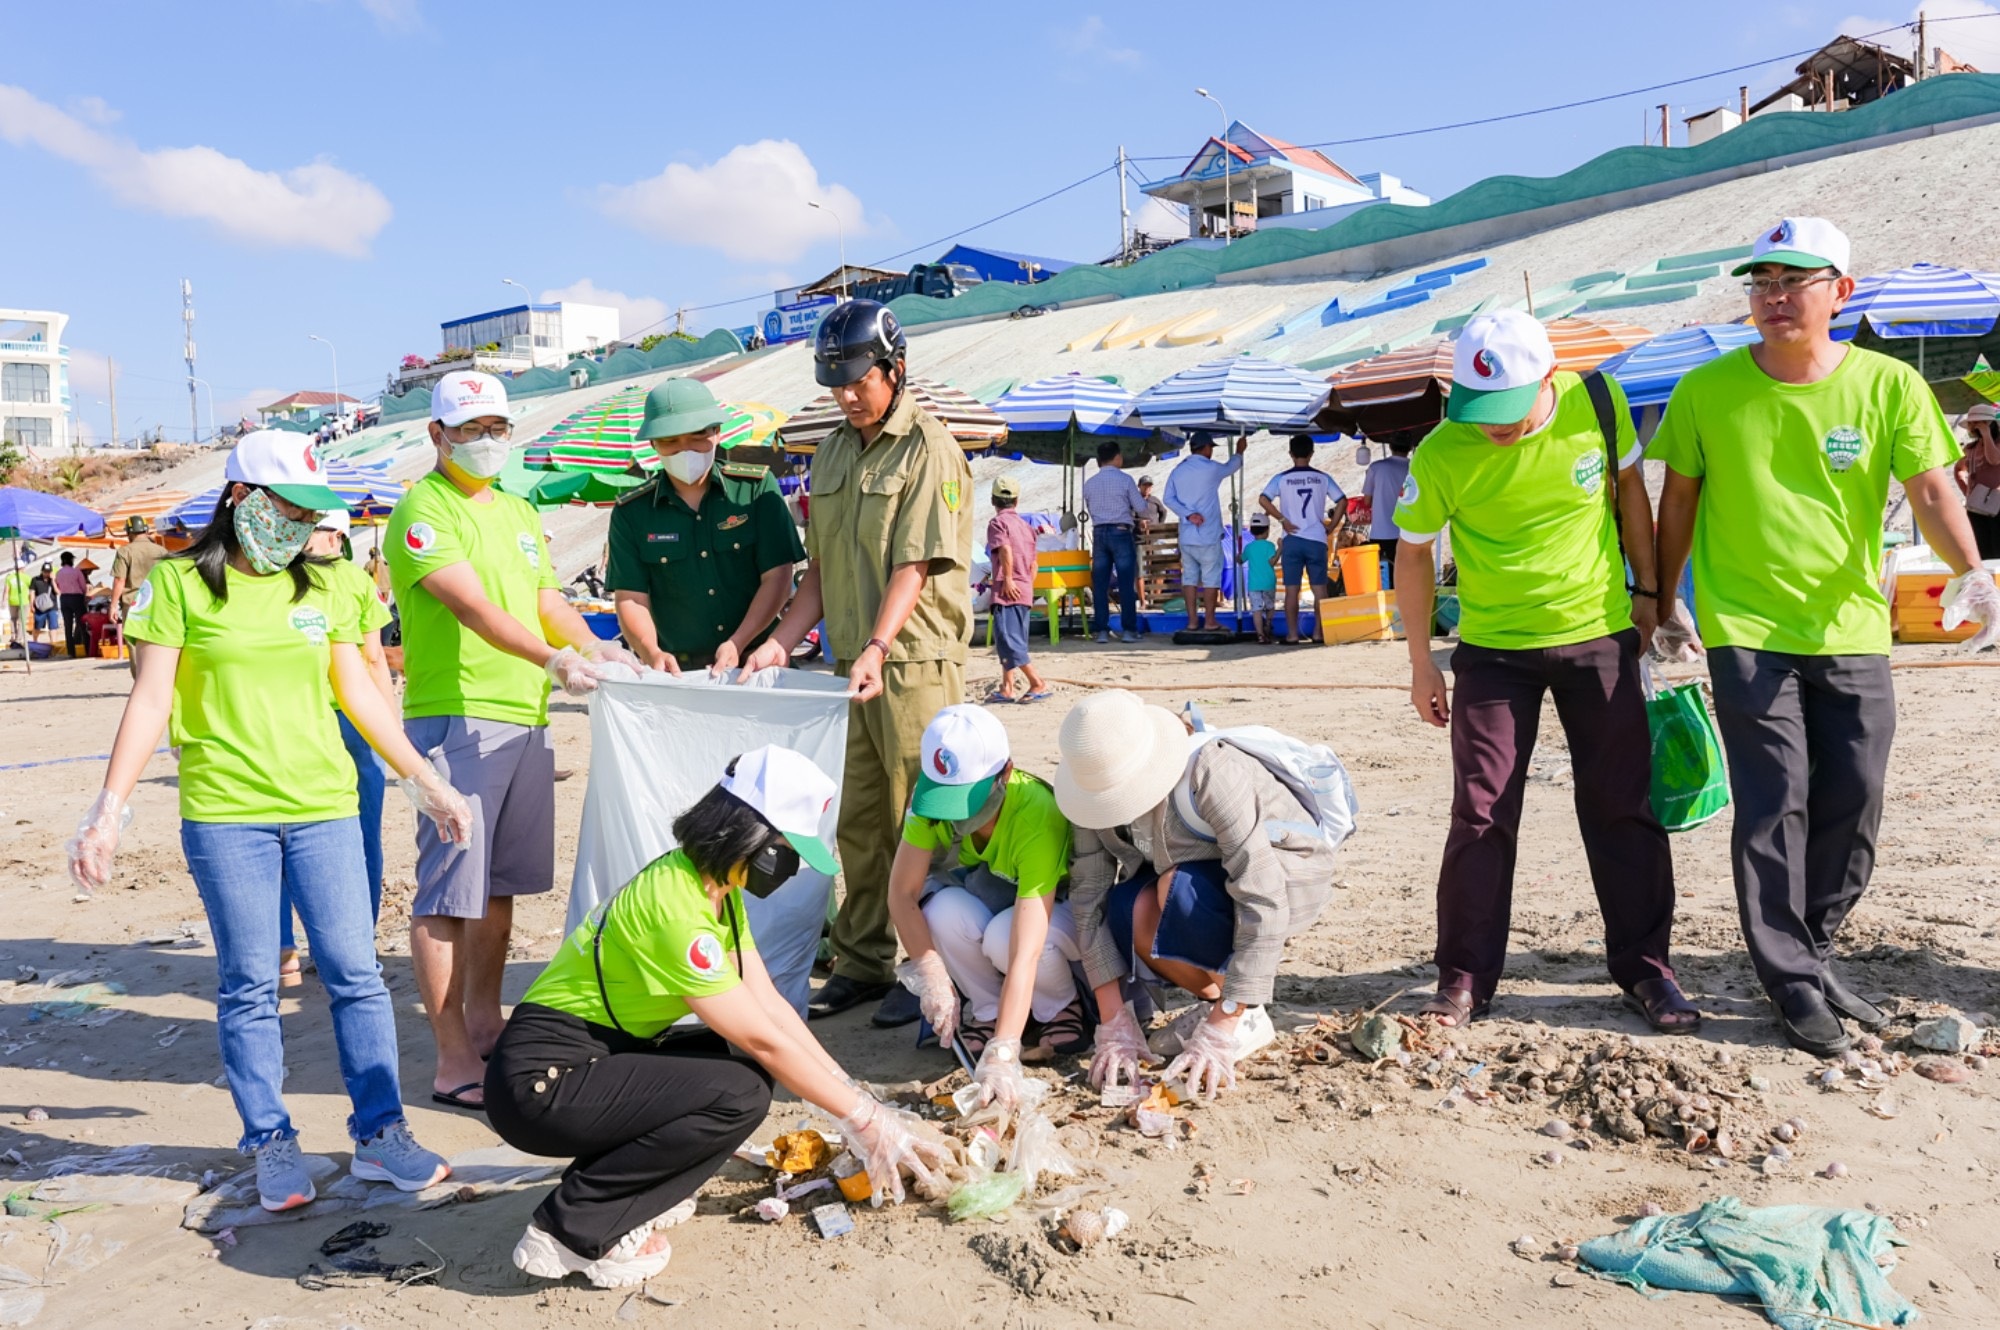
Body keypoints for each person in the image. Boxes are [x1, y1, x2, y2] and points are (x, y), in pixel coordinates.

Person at [65, 430, 473, 1212]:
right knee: (250, 984)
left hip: (324, 806)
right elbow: (150, 700)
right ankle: (270, 1141)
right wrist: (107, 811)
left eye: (312, 513)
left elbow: (360, 692)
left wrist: (425, 780)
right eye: (289, 508)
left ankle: (382, 1136)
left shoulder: (332, 585)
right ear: (242, 500)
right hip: (226, 815)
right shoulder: (181, 585)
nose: (299, 526)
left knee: (356, 976)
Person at [1653, 217, 1999, 1056]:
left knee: (1855, 790)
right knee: (1775, 800)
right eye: (1762, 282)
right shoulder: (1708, 390)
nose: (1773, 297)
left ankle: (1815, 943)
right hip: (1746, 627)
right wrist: (1661, 601)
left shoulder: (1888, 387)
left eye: (1793, 281)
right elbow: (1679, 504)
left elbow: (1930, 488)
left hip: (1849, 624)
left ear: (1839, 292)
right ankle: (1791, 980)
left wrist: (1972, 570)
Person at [485, 746, 946, 1288]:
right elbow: (764, 1038)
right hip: (541, 1083)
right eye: (785, 847)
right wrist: (863, 1120)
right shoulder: (676, 909)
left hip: (593, 1056)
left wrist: (850, 1091)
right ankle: (574, 1228)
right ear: (750, 833)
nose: (789, 864)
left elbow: (768, 1005)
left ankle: (636, 1194)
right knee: (738, 1095)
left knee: (734, 1064)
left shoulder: (714, 891)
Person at [1391, 310, 1696, 1033]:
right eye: (1477, 407)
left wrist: (1650, 596)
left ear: (1545, 377)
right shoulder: (1440, 452)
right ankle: (1463, 978)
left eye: (1506, 408)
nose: (1491, 425)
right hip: (1494, 652)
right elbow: (1411, 555)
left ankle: (1647, 970)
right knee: (1482, 811)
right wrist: (1418, 664)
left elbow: (1630, 494)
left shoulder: (1597, 402)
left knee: (1623, 806)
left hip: (1598, 635)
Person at [385, 370, 642, 1110]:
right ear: (436, 435)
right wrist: (553, 660)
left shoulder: (518, 510)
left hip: (522, 718)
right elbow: (470, 607)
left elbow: (542, 601)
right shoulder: (421, 512)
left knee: (497, 889)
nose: (487, 442)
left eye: (497, 428)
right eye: (469, 430)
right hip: (455, 717)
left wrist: (596, 648)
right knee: (445, 893)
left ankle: (485, 1019)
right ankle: (451, 1058)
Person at [740, 301, 974, 1027]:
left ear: (893, 370)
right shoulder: (835, 451)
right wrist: (781, 639)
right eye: (834, 381)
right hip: (854, 663)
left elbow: (915, 563)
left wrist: (876, 646)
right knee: (860, 822)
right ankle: (865, 959)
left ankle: (936, 967)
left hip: (914, 660)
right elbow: (821, 569)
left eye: (857, 379)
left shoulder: (928, 447)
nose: (845, 393)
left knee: (925, 816)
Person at [1056, 689, 1334, 1098]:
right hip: (1197, 878)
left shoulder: (1210, 771)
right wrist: (1113, 1019)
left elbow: (1261, 893)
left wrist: (1221, 1031)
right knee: (1126, 906)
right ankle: (1218, 1001)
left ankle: (1240, 1014)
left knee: (1175, 890)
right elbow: (1089, 896)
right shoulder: (1089, 792)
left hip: (1283, 875)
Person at [889, 706, 1084, 1096]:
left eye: (967, 799)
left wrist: (1004, 1054)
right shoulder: (927, 798)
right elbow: (901, 893)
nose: (956, 816)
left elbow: (1026, 949)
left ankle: (1059, 1007)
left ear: (1005, 773)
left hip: (1059, 914)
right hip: (992, 895)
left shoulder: (1036, 813)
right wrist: (931, 974)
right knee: (942, 912)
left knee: (1003, 937)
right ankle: (987, 1010)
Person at [609, 378, 804, 676]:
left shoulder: (754, 490)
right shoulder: (632, 512)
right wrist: (651, 652)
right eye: (670, 440)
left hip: (756, 662)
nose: (684, 449)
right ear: (652, 444)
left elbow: (777, 575)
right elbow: (631, 598)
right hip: (678, 672)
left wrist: (738, 642)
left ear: (716, 432)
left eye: (696, 435)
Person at [278, 507, 396, 988]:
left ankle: (283, 949)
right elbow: (373, 659)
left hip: (295, 715)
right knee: (362, 834)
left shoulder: (275, 576)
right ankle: (355, 942)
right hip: (353, 716)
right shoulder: (355, 581)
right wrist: (390, 729)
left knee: (282, 830)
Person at [1258, 435, 1342, 644]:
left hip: (1292, 539)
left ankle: (1293, 634)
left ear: (1290, 454)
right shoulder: (1323, 478)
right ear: (1312, 453)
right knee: (1319, 588)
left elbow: (1263, 499)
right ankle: (1318, 633)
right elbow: (1342, 501)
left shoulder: (1281, 478)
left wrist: (1282, 519)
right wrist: (1331, 526)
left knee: (1292, 590)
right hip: (1316, 538)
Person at [1162, 432, 1247, 632]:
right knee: (1211, 578)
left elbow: (1168, 499)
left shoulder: (1178, 470)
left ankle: (1192, 621)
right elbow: (1232, 467)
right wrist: (1239, 451)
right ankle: (1209, 621)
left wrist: (1188, 514)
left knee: (1189, 578)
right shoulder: (1210, 469)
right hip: (1207, 535)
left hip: (1187, 535)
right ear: (1206, 448)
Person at [986, 477, 1049, 702]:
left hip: (1007, 589)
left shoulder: (997, 524)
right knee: (1011, 640)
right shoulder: (1027, 527)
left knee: (1008, 638)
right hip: (1024, 589)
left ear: (993, 499)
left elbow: (1004, 549)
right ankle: (1007, 687)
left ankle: (1037, 682)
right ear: (1016, 501)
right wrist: (1025, 585)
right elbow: (1034, 565)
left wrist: (1009, 579)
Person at [1080, 440, 1148, 643]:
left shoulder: (1089, 483)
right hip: (1121, 531)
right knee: (1126, 583)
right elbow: (1142, 508)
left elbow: (1090, 509)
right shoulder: (1125, 480)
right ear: (1117, 457)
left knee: (1100, 584)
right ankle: (1129, 631)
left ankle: (1101, 631)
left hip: (1099, 533)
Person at [109, 516, 169, 675]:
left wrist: (113, 605)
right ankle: (160, 678)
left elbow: (119, 580)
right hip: (158, 602)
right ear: (146, 530)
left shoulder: (125, 551)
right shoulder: (161, 550)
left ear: (129, 532)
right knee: (158, 640)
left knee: (134, 643)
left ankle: (141, 682)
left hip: (134, 604)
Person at [1361, 437, 1414, 589]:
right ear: (1410, 448)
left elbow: (1367, 501)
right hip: (1409, 533)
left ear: (1390, 446)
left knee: (1384, 579)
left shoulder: (1376, 468)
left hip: (1381, 532)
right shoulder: (1416, 467)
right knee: (1407, 577)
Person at [1955, 402, 2000, 560]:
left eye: (1978, 423)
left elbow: (1994, 460)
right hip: (1976, 505)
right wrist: (1966, 490)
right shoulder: (1971, 448)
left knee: (1997, 548)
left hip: (1996, 505)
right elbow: (1959, 469)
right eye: (1972, 424)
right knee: (1981, 549)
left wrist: (1987, 434)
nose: (1974, 427)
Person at [1241, 515, 1279, 644]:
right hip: (1268, 583)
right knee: (1270, 607)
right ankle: (1268, 625)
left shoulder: (1249, 547)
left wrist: (1237, 557)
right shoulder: (1270, 546)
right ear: (1267, 530)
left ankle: (1260, 635)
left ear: (1251, 531)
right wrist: (1281, 549)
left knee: (1256, 610)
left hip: (1254, 585)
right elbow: (1272, 562)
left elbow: (1240, 560)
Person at [54, 552, 88, 657]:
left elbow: (58, 586)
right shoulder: (76, 571)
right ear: (71, 560)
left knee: (67, 626)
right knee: (82, 624)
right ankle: (88, 649)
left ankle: (71, 652)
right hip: (76, 598)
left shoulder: (58, 573)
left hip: (64, 599)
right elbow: (83, 587)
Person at [28, 563, 57, 647]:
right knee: (37, 625)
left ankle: (53, 644)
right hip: (39, 607)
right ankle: (35, 642)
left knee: (53, 626)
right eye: (45, 572)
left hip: (52, 606)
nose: (47, 573)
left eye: (48, 572)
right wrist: (31, 605)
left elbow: (58, 592)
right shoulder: (35, 580)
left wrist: (53, 581)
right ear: (42, 571)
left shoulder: (53, 580)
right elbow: (32, 593)